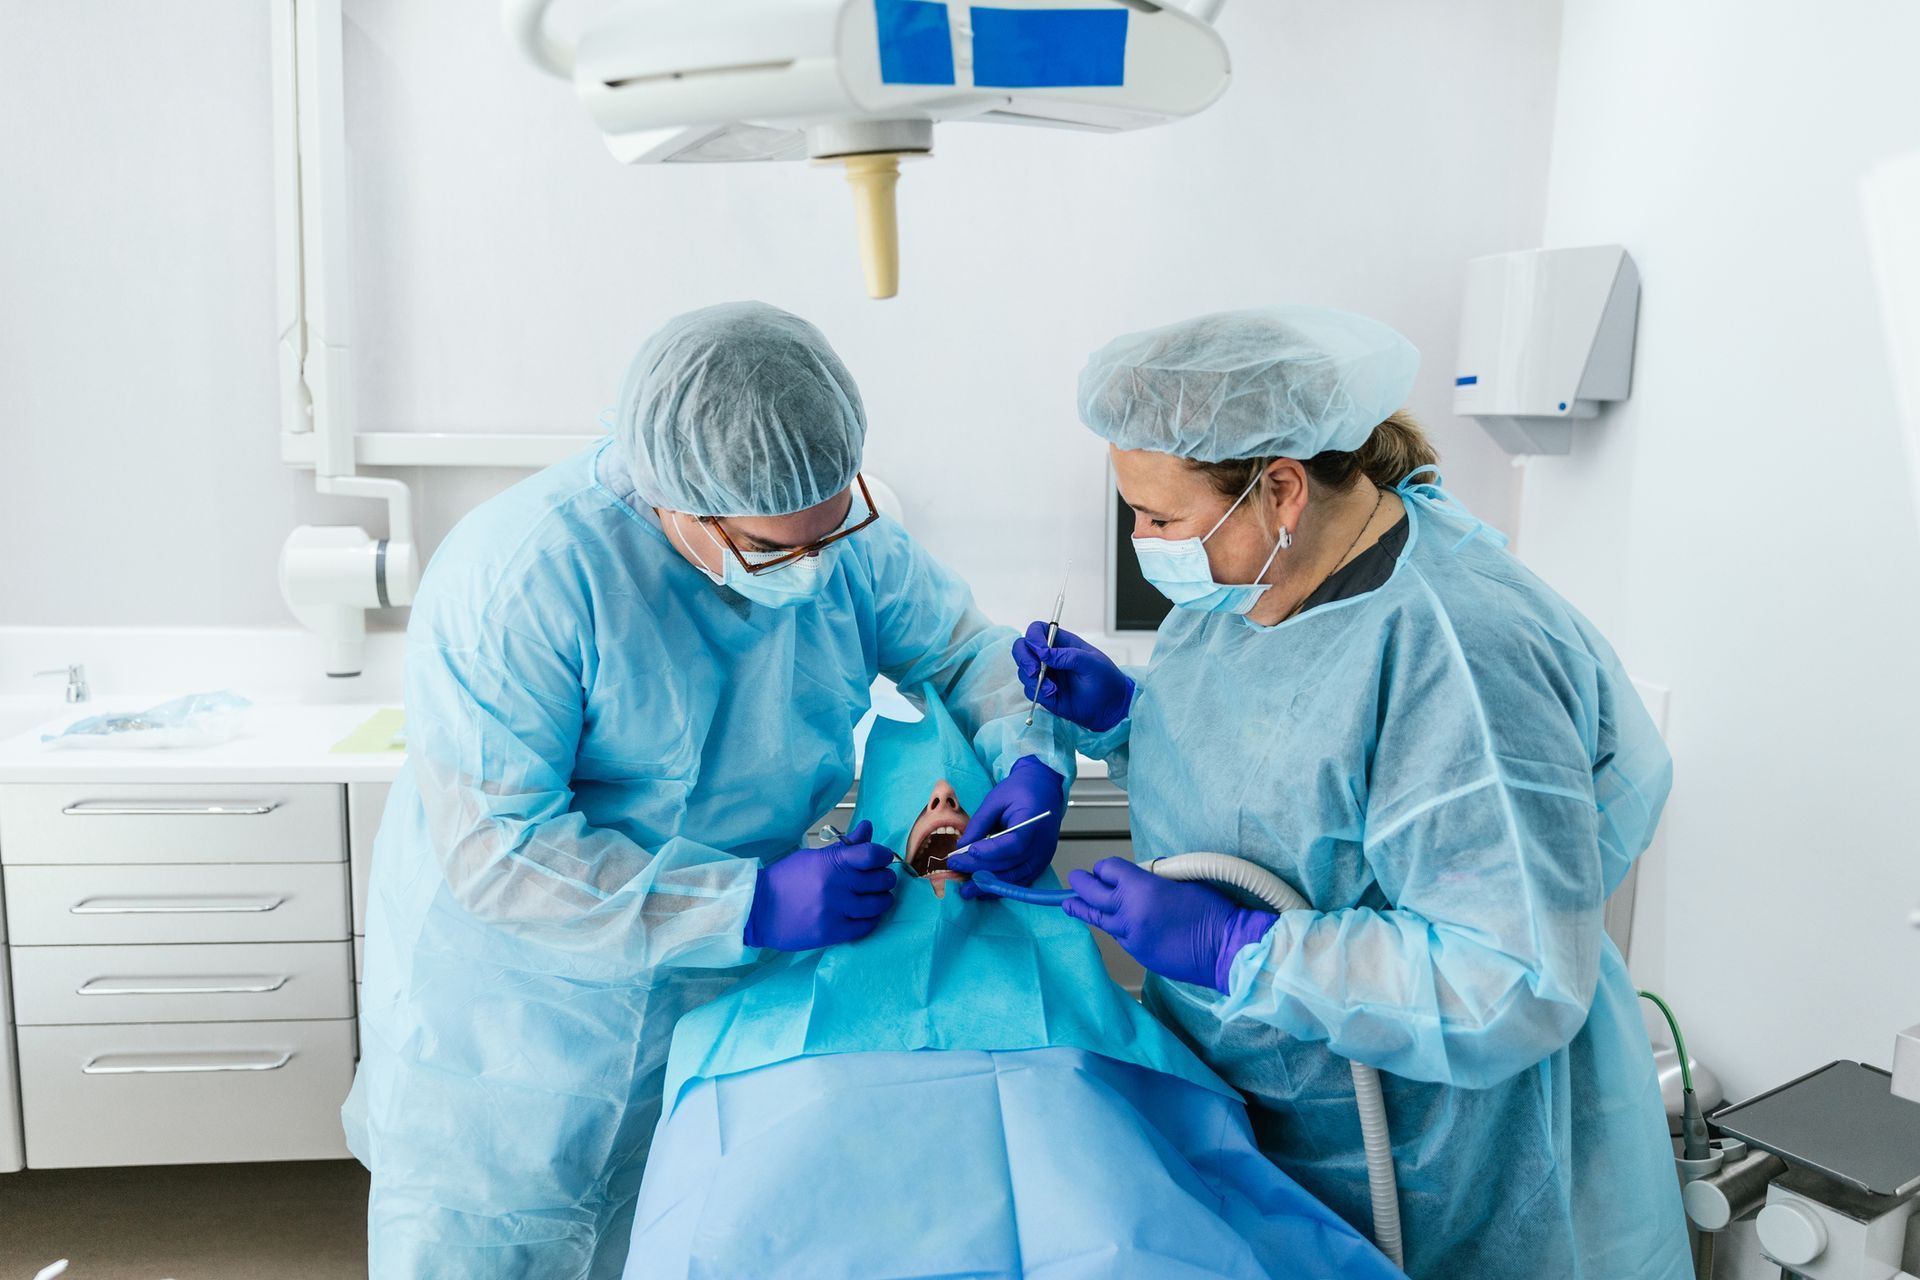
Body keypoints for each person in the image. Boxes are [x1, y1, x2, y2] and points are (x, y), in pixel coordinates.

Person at [343, 301, 1074, 1279]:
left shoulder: (839, 533)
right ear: (673, 500)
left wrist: (1028, 755)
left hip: (725, 994)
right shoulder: (524, 578)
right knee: (497, 1250)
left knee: (694, 1233)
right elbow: (502, 851)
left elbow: (964, 648)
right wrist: (751, 900)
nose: (815, 570)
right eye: (776, 549)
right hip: (520, 1027)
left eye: (832, 529)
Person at [1016, 306, 1691, 1279]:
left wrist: (1239, 947)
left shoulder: (1458, 655)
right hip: (1288, 1127)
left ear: (1280, 488)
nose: (1141, 538)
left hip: (1449, 1169)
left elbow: (1511, 977)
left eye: (1160, 517)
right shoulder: (1245, 590)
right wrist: (1126, 719)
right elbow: (1279, 784)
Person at [621, 690, 1405, 1280]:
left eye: (959, 798)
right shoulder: (777, 995)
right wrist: (755, 904)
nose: (942, 804)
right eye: (925, 804)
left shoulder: (1058, 960)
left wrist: (1040, 753)